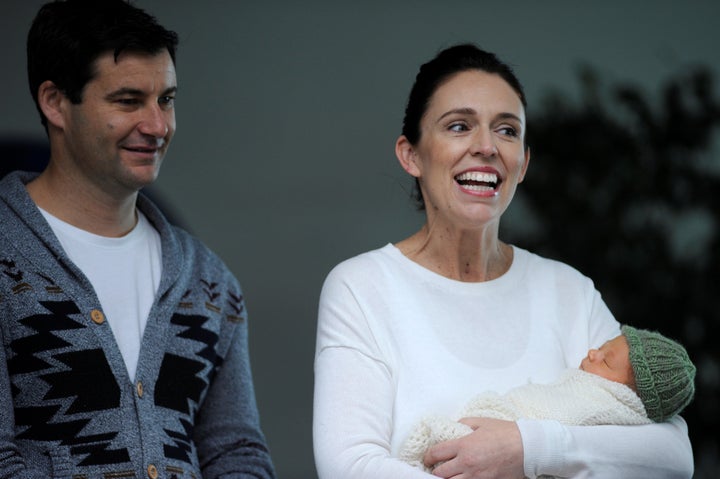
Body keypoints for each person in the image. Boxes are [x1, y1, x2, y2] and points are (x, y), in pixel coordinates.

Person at [313, 43, 694, 478]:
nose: (486, 147)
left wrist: (526, 447)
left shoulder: (567, 291)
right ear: (411, 155)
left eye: (508, 131)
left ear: (523, 163)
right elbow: (349, 466)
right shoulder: (362, 287)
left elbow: (673, 457)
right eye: (459, 126)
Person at [0, 1, 276, 478]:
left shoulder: (207, 281)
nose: (157, 126)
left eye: (166, 99)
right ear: (55, 101)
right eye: (128, 101)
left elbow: (235, 452)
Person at [399, 325, 696, 472]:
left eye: (605, 361)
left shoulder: (603, 404)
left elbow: (677, 458)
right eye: (601, 347)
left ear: (631, 395)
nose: (593, 353)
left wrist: (528, 444)